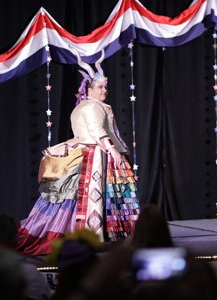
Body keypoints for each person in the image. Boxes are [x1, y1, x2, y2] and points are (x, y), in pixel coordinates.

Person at [17, 48, 140, 256]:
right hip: (96, 155)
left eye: (105, 87)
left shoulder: (84, 106)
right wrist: (114, 151)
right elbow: (97, 130)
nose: (104, 91)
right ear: (89, 89)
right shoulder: (92, 107)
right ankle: (94, 234)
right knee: (92, 195)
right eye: (100, 87)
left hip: (87, 151)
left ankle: (95, 234)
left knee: (79, 196)